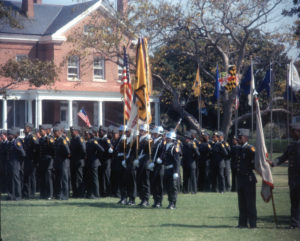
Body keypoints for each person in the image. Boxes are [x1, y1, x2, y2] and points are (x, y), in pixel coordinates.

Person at [273, 123, 300, 229]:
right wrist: (273, 162)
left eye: (294, 131)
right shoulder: (291, 146)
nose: (292, 133)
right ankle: (295, 224)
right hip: (293, 180)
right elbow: (283, 157)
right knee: (294, 203)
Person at [236, 128, 257, 228]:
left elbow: (256, 162)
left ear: (246, 138)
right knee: (242, 203)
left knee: (250, 203)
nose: (238, 139)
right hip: (241, 179)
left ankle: (252, 224)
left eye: (240, 138)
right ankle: (242, 223)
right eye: (238, 137)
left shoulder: (250, 148)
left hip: (248, 179)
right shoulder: (240, 148)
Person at [134, 124, 152, 207]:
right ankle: (142, 199)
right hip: (140, 162)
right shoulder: (139, 139)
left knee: (145, 181)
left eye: (142, 130)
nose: (141, 132)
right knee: (140, 181)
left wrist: (149, 141)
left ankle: (146, 199)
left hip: (145, 162)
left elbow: (149, 152)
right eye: (140, 130)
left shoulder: (149, 139)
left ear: (146, 131)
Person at [162, 131, 180, 209]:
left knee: (173, 187)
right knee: (168, 187)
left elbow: (176, 161)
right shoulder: (165, 146)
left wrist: (176, 172)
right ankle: (170, 202)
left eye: (169, 138)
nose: (167, 139)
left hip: (172, 170)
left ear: (172, 139)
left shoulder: (174, 147)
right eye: (167, 137)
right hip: (166, 169)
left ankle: (173, 203)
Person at [6, 128, 26, 200]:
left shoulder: (16, 142)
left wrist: (19, 161)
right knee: (10, 179)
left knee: (16, 179)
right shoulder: (10, 143)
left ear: (14, 135)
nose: (8, 136)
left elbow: (23, 153)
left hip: (15, 163)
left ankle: (17, 196)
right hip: (10, 163)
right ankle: (11, 195)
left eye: (9, 135)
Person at [53, 126, 71, 200]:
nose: (54, 134)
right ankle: (60, 194)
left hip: (64, 162)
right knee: (59, 179)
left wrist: (64, 158)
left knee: (64, 180)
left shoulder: (62, 140)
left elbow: (68, 151)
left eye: (55, 132)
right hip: (59, 162)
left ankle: (65, 195)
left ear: (59, 132)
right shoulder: (57, 140)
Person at [85, 129, 104, 199]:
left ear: (90, 135)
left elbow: (101, 149)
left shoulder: (93, 142)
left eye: (87, 134)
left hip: (94, 163)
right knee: (90, 179)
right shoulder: (88, 142)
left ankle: (97, 194)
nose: (86, 136)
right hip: (89, 163)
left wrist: (96, 157)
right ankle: (90, 193)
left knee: (95, 179)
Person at [22, 123, 39, 199]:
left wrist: (35, 160)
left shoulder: (32, 137)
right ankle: (26, 193)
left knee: (32, 177)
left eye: (25, 128)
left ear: (30, 129)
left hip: (32, 160)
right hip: (27, 160)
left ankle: (32, 193)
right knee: (27, 177)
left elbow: (37, 148)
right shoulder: (26, 137)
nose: (24, 130)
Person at [150, 126, 165, 208]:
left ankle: (159, 201)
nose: (154, 134)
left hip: (159, 165)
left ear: (159, 134)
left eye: (156, 133)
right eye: (154, 133)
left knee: (159, 184)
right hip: (153, 165)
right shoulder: (153, 141)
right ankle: (155, 200)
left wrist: (160, 159)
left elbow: (163, 152)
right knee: (154, 183)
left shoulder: (162, 142)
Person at [39, 124, 55, 200]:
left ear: (45, 131)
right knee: (42, 178)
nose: (40, 132)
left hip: (49, 161)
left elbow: (53, 149)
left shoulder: (50, 139)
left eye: (41, 130)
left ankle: (50, 194)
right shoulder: (41, 139)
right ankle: (43, 194)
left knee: (48, 178)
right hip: (42, 161)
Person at [70, 126, 86, 198]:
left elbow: (83, 150)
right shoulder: (73, 139)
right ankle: (75, 193)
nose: (71, 132)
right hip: (73, 161)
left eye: (72, 131)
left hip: (79, 161)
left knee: (79, 178)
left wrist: (81, 158)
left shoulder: (80, 139)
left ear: (76, 131)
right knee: (73, 177)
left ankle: (80, 193)